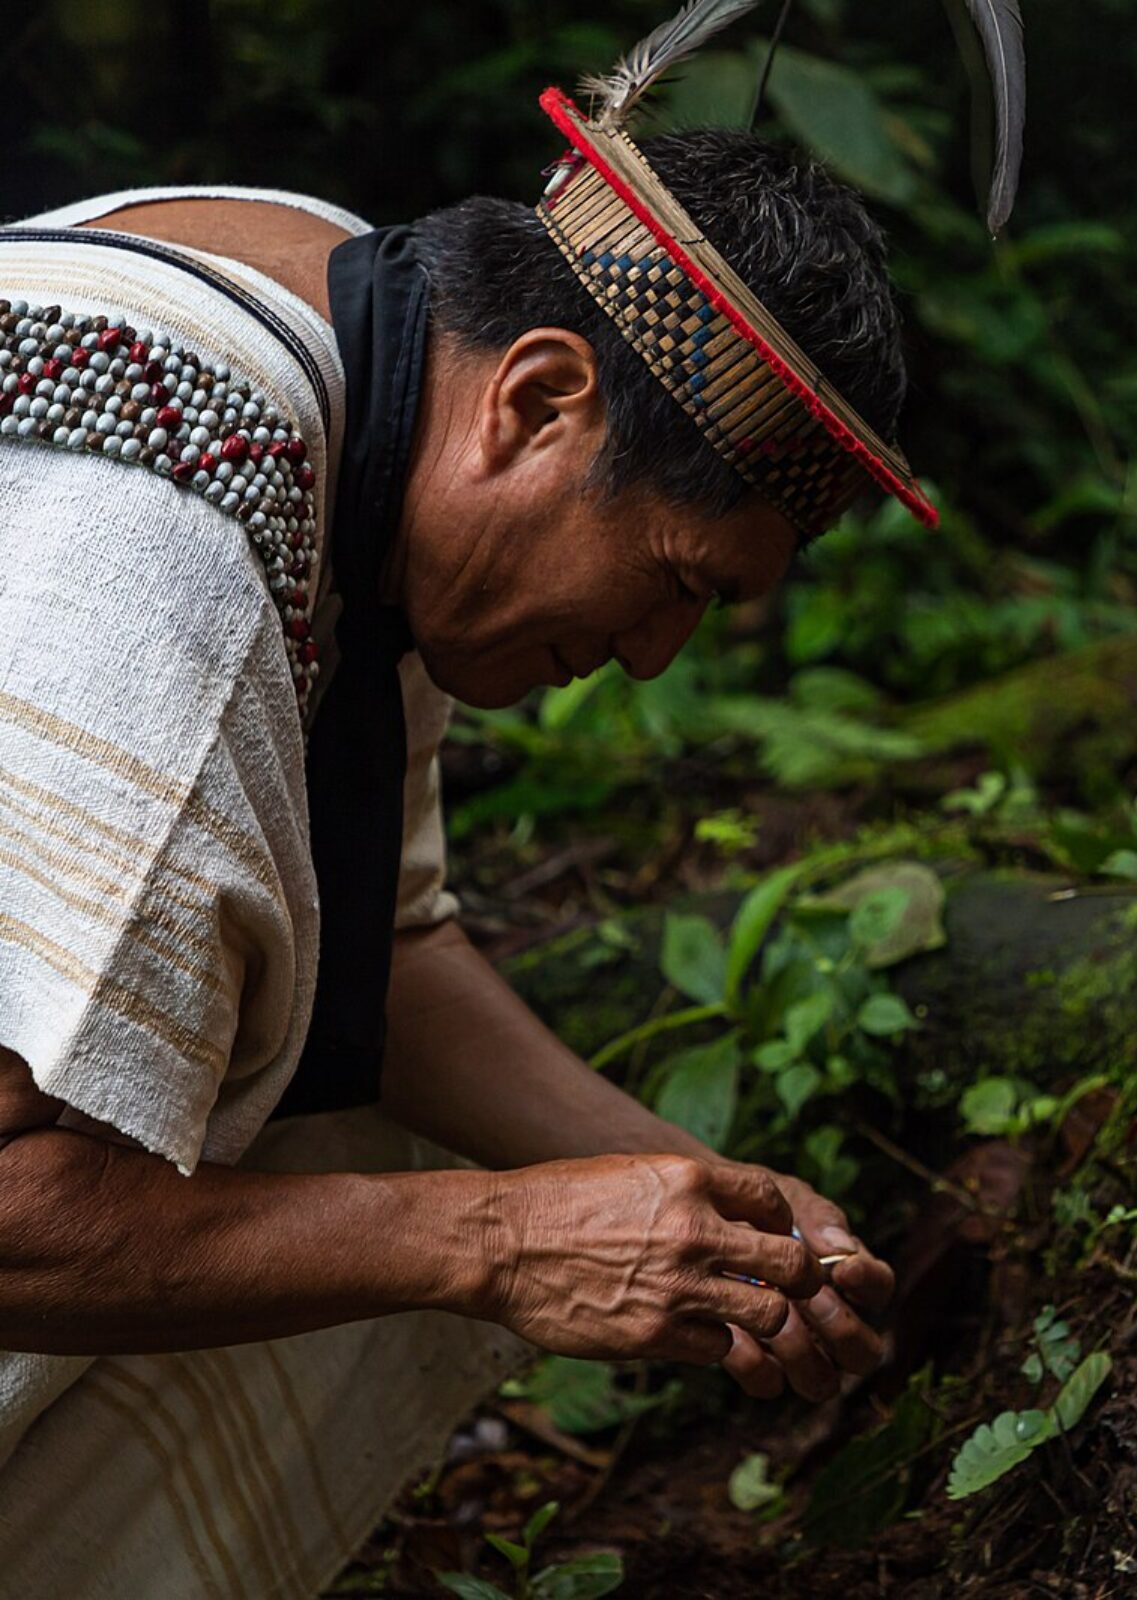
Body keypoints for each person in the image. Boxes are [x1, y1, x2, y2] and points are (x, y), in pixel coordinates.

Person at [0, 30, 938, 1600]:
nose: (652, 657)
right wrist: (503, 1243)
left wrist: (693, 1209)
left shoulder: (362, 359)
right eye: (675, 583)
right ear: (541, 399)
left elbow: (376, 946)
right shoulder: (171, 560)